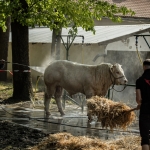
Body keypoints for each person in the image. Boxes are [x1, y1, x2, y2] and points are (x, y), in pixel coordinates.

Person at [136, 59, 150, 150]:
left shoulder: (140, 80)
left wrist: (140, 104)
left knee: (145, 137)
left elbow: (138, 99)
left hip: (145, 109)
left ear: (144, 67)